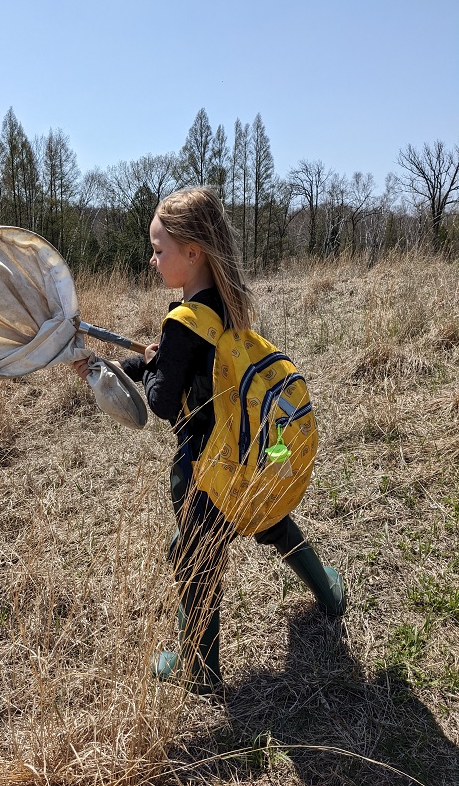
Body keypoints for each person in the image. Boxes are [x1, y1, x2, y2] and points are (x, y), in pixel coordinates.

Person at [73, 187, 345, 696]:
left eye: (159, 250)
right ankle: (328, 593)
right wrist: (120, 364)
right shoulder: (227, 302)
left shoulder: (182, 323)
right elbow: (178, 369)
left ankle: (199, 668)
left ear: (192, 252)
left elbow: (158, 401)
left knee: (197, 560)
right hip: (250, 450)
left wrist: (146, 368)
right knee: (270, 520)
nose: (152, 260)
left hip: (203, 467)